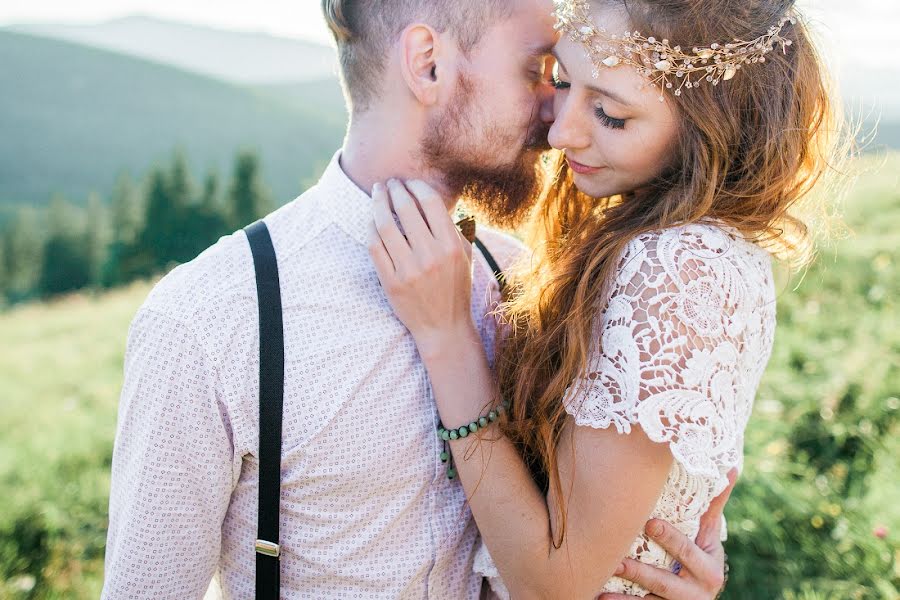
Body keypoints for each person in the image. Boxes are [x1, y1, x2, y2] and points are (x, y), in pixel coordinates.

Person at [101, 0, 731, 598]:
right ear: (428, 63)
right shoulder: (209, 319)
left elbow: (558, 554)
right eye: (540, 71)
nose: (557, 116)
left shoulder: (521, 281)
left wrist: (648, 576)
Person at [369, 0, 845, 598]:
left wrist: (447, 339)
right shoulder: (692, 244)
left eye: (611, 114)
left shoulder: (675, 267)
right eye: (562, 81)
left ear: (711, 127)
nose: (561, 130)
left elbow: (555, 584)